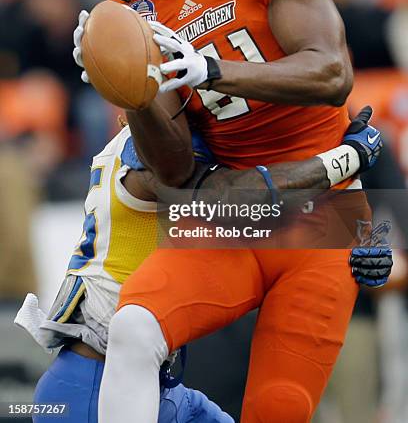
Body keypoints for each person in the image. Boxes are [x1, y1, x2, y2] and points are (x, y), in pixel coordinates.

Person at [67, 0, 385, 422]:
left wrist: (215, 70)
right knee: (135, 328)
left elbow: (333, 74)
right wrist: (132, 91)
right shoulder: (135, 15)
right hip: (232, 211)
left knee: (278, 406)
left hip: (324, 213)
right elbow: (174, 174)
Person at [15, 99, 389, 423]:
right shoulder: (150, 157)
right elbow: (244, 199)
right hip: (95, 379)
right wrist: (346, 158)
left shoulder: (129, 146)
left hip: (138, 378)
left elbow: (269, 224)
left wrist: (353, 243)